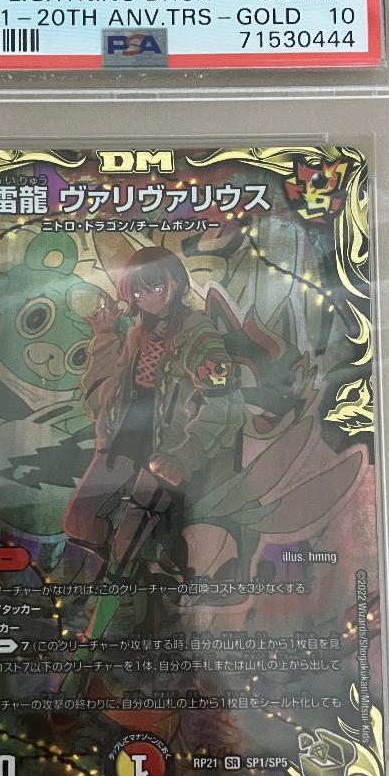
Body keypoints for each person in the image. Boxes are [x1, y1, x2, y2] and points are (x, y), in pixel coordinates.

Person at [62, 246, 245, 590]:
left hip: (168, 444)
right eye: (138, 291)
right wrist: (104, 337)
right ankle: (110, 584)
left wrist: (187, 454)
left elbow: (225, 404)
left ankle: (127, 591)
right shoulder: (136, 334)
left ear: (175, 283)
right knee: (78, 521)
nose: (147, 298)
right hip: (125, 436)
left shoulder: (197, 333)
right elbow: (101, 397)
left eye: (155, 287)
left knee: (127, 543)